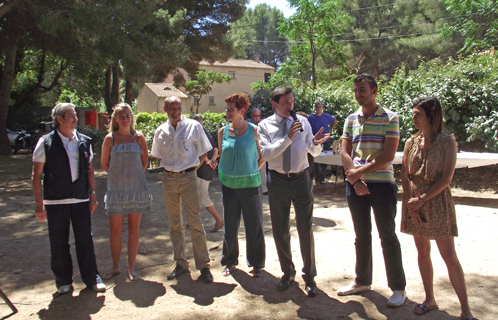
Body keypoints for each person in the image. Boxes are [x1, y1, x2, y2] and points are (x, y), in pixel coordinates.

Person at [401, 97, 476, 319]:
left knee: (449, 256)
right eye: (413, 113)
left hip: (436, 202)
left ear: (432, 117)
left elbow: (446, 179)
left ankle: (466, 311)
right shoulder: (410, 142)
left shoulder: (447, 142)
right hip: (414, 203)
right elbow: (405, 176)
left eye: (418, 114)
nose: (413, 117)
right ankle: (429, 299)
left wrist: (422, 200)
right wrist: (411, 205)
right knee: (423, 251)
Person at [338, 74, 406, 307]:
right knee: (361, 236)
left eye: (363, 89)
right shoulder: (351, 119)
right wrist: (355, 179)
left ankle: (398, 288)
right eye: (356, 90)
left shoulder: (390, 118)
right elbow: (345, 153)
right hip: (355, 184)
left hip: (382, 185)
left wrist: (359, 173)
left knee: (387, 237)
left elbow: (388, 155)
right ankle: (362, 281)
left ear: (374, 91)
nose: (359, 93)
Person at [257, 87, 329, 297]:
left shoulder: (303, 122)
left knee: (305, 228)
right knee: (280, 229)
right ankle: (288, 273)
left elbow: (311, 150)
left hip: (301, 179)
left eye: (292, 101)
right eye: (286, 102)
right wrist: (288, 137)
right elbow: (268, 154)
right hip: (278, 180)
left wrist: (315, 143)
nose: (290, 106)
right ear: (275, 104)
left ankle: (310, 277)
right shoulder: (265, 125)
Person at [31, 103, 106, 294]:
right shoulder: (45, 143)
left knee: (85, 240)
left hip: (80, 199)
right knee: (58, 242)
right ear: (59, 119)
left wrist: (92, 195)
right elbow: (36, 175)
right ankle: (63, 281)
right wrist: (39, 205)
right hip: (55, 201)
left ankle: (92, 278)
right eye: (72, 116)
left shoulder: (84, 141)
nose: (75, 119)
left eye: (75, 116)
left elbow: (89, 170)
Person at [151, 96, 214, 284]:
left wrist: (190, 170)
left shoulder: (194, 127)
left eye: (178, 107)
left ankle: (204, 266)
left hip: (189, 178)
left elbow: (204, 152)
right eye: (172, 108)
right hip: (168, 179)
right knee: (174, 224)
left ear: (182, 108)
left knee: (195, 222)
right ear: (165, 109)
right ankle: (181, 264)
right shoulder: (161, 131)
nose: (176, 111)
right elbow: (158, 155)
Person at [100, 103, 153, 281]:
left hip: (137, 190)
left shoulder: (139, 138)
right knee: (115, 231)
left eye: (127, 115)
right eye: (121, 116)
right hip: (116, 192)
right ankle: (115, 267)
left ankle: (131, 268)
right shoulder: (110, 139)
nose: (124, 119)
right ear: (115, 119)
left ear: (132, 117)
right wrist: (119, 178)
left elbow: (145, 163)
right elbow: (104, 164)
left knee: (134, 229)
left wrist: (132, 177)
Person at [218, 94, 266, 278]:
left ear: (242, 111)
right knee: (230, 226)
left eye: (231, 109)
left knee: (254, 226)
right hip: (229, 186)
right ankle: (229, 262)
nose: (227, 112)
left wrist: (254, 169)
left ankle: (256, 264)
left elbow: (264, 155)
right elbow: (223, 155)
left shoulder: (254, 130)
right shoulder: (222, 131)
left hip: (250, 186)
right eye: (227, 108)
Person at [191, 114, 224, 232]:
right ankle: (194, 220)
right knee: (200, 195)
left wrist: (209, 162)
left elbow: (202, 152)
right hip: (207, 168)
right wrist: (212, 161)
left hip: (202, 169)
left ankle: (219, 219)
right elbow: (215, 149)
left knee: (203, 196)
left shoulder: (198, 133)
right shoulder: (206, 132)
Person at [308, 102, 337, 184]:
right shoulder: (311, 117)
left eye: (320, 107)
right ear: (315, 108)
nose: (318, 108)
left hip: (326, 141)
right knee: (316, 159)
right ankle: (317, 177)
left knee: (325, 159)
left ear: (322, 108)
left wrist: (331, 128)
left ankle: (322, 177)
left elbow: (335, 121)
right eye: (317, 107)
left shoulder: (326, 116)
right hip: (315, 141)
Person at [246, 108, 268, 194]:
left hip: (261, 148)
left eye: (258, 115)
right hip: (251, 148)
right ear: (251, 115)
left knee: (263, 169)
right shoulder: (247, 123)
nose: (257, 117)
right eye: (255, 115)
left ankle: (264, 188)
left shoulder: (263, 123)